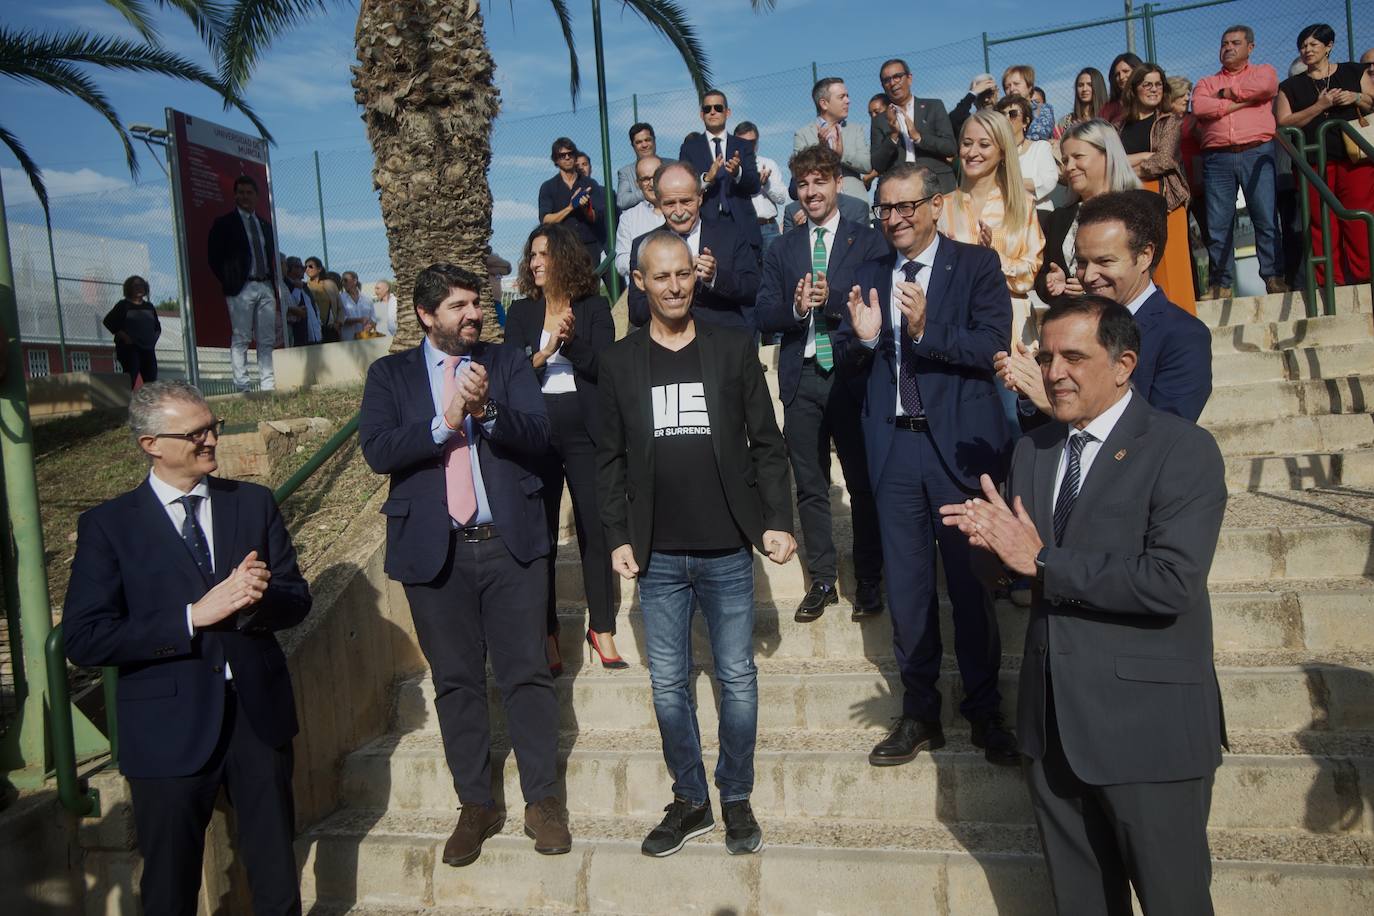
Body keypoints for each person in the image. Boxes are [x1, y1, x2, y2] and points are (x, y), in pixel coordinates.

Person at [940, 295, 1228, 916]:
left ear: (1124, 365)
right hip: (1052, 732)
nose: (1054, 372)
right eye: (1046, 358)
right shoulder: (1033, 450)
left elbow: (1171, 581)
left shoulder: (1182, 448)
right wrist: (988, 548)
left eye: (1074, 357)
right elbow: (1017, 574)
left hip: (1149, 733)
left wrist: (1041, 561)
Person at [64, 380, 311, 914]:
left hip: (257, 719)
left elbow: (296, 599)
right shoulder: (108, 526)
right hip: (165, 730)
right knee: (170, 884)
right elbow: (85, 637)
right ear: (150, 444)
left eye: (212, 427)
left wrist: (254, 600)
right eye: (195, 433)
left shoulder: (252, 503)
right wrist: (191, 618)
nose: (211, 440)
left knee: (275, 871)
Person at [358, 262, 570, 867]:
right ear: (426, 315)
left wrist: (487, 412)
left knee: (527, 674)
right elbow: (378, 449)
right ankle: (476, 804)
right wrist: (444, 421)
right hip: (436, 551)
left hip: (510, 543)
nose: (474, 314)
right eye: (458, 306)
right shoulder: (390, 375)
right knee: (455, 682)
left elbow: (539, 434)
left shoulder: (506, 363)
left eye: (476, 303)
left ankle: (542, 802)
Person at [597, 230, 796, 858]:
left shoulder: (732, 346)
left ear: (695, 274)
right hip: (656, 555)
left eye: (683, 273)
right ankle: (690, 799)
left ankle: (734, 796)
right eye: (661, 276)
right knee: (668, 685)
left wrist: (778, 519)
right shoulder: (619, 362)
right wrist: (617, 535)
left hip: (727, 548)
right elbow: (609, 459)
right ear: (639, 282)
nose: (675, 286)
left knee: (736, 676)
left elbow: (767, 442)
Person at [834, 163, 1018, 768]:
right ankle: (919, 712)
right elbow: (843, 353)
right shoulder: (867, 273)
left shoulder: (976, 266)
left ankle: (985, 710)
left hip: (958, 449)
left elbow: (992, 345)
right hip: (894, 447)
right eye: (885, 209)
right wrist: (866, 341)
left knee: (971, 584)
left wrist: (924, 329)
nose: (895, 219)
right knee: (908, 591)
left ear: (936, 205)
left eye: (906, 206)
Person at [754, 144, 888, 623]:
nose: (811, 192)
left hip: (851, 374)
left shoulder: (866, 240)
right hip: (802, 376)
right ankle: (824, 580)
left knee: (862, 483)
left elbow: (878, 301)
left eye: (819, 182)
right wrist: (795, 309)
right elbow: (763, 312)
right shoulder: (783, 247)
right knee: (810, 486)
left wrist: (830, 302)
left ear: (836, 184)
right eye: (803, 184)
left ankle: (869, 579)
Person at [503, 225, 620, 673]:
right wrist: (543, 352)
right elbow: (509, 376)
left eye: (543, 254)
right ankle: (548, 632)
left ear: (564, 258)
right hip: (537, 434)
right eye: (531, 255)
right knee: (542, 536)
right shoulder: (521, 313)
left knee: (596, 530)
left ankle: (602, 628)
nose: (534, 262)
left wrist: (571, 344)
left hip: (586, 434)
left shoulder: (593, 307)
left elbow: (606, 366)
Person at [1003, 190, 1213, 427]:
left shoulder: (1183, 336)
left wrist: (1054, 406)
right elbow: (1044, 436)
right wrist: (1029, 392)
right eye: (1082, 262)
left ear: (1144, 256)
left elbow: (1164, 433)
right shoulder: (1070, 327)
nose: (1089, 276)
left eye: (1105, 262)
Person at [939, 109, 1045, 429]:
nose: (973, 152)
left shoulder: (1022, 204)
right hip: (957, 332)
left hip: (1011, 338)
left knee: (1012, 427)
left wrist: (992, 259)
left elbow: (1029, 273)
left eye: (984, 144)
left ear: (1001, 151)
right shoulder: (942, 207)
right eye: (967, 143)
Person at [1193, 24, 1289, 298]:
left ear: (1250, 47)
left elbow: (1267, 87)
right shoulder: (1206, 82)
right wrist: (1245, 100)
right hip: (1217, 157)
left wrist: (1226, 95)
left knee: (1265, 218)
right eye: (1224, 43)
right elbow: (1200, 106)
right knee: (1218, 224)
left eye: (1235, 43)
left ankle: (1273, 277)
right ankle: (1221, 284)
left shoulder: (1264, 71)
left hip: (1257, 152)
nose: (1228, 48)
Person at [1278, 23, 1374, 286]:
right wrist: (1320, 106)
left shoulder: (1353, 71)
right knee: (1321, 222)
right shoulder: (1290, 86)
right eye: (1303, 46)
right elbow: (1283, 122)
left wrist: (1355, 97)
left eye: (1313, 44)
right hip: (1313, 162)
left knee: (1359, 217)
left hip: (1354, 158)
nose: (1307, 50)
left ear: (1329, 46)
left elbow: (1371, 101)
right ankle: (1330, 281)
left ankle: (1365, 278)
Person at [626, 161, 759, 329]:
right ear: (659, 202)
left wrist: (715, 277)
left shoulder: (730, 234)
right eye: (670, 204)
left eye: (686, 201)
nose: (679, 212)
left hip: (723, 338)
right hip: (668, 342)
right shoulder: (644, 246)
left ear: (700, 197)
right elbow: (637, 314)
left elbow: (754, 290)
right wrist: (666, 289)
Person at [1034, 119, 1142, 307]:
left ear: (1107, 156)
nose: (1069, 167)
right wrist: (1052, 284)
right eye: (1066, 160)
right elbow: (1041, 276)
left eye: (1078, 156)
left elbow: (1142, 273)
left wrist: (1090, 287)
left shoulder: (1137, 210)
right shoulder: (1058, 218)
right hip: (1072, 318)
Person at [1119, 64, 1197, 313]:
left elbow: (1163, 161)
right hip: (1130, 205)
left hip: (1166, 203)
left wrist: (1125, 167)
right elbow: (1109, 162)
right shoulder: (1119, 127)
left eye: (1158, 84)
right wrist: (1143, 156)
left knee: (1173, 272)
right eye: (1147, 84)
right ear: (1134, 89)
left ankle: (1183, 325)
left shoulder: (1168, 121)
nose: (1154, 89)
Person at [206, 175, 277, 391]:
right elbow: (214, 258)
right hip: (242, 287)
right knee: (242, 337)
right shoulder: (224, 223)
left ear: (256, 196)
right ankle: (242, 385)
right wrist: (231, 279)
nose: (245, 196)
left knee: (266, 339)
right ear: (235, 195)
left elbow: (269, 255)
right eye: (241, 192)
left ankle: (268, 384)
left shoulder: (265, 225)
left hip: (265, 285)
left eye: (249, 193)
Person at [679, 89, 762, 258]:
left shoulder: (743, 146)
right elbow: (684, 188)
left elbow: (754, 185)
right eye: (707, 109)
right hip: (707, 224)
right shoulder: (690, 148)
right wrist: (706, 179)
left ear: (727, 112)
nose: (713, 112)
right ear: (701, 115)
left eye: (718, 108)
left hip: (743, 226)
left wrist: (738, 173)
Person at [870, 58, 958, 194]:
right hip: (900, 189)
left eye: (897, 77)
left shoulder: (933, 107)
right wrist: (893, 136)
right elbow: (877, 164)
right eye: (887, 80)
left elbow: (950, 147)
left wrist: (918, 137)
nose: (892, 83)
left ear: (909, 78)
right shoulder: (880, 120)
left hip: (937, 183)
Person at [794, 77, 873, 200]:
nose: (848, 101)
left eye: (847, 96)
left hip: (855, 202)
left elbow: (867, 166)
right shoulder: (803, 135)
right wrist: (822, 152)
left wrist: (842, 155)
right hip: (821, 203)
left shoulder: (856, 130)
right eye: (841, 97)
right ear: (824, 104)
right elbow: (800, 173)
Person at [538, 137, 605, 268]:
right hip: (561, 247)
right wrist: (570, 207)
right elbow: (545, 220)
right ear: (556, 160)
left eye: (571, 154)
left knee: (591, 281)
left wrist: (586, 208)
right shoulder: (548, 187)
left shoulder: (589, 183)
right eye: (562, 155)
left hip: (589, 247)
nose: (567, 157)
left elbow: (596, 217)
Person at [995, 96, 1058, 211]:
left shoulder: (1040, 147)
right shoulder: (995, 153)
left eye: (1013, 114)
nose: (1006, 118)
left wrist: (1007, 183)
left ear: (1025, 121)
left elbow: (1048, 181)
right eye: (1002, 115)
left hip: (1038, 211)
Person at [736, 122, 788, 257]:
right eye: (742, 142)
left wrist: (766, 185)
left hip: (768, 228)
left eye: (752, 142)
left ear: (757, 143)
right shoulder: (732, 169)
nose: (747, 146)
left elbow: (782, 198)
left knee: (774, 268)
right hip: (742, 229)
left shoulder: (769, 164)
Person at [103, 275, 160, 386]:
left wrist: (153, 339)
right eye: (135, 286)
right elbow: (108, 321)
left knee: (151, 381)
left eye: (141, 285)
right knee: (130, 378)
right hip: (130, 349)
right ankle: (126, 397)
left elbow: (157, 327)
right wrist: (124, 337)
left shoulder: (149, 307)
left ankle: (149, 398)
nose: (139, 288)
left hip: (148, 349)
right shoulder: (123, 305)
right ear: (129, 288)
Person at [615, 155, 665, 280]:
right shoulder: (628, 218)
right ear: (638, 184)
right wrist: (652, 263)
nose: (652, 183)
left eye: (656, 176)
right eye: (645, 179)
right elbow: (621, 263)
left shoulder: (681, 208)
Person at [1002, 65, 1055, 141]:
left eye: (1016, 84)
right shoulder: (1003, 112)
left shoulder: (1042, 109)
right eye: (1007, 87)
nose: (1012, 89)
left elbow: (1039, 135)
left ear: (1029, 86)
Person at [1055, 68, 1108, 139]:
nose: (1084, 89)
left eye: (1090, 84)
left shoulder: (1109, 117)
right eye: (1080, 85)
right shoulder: (1066, 121)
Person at [616, 122, 658, 210]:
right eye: (639, 142)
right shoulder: (626, 172)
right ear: (633, 146)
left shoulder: (671, 165)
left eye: (647, 140)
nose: (644, 145)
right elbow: (622, 201)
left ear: (654, 141)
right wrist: (650, 191)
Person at [281, 256, 322, 346]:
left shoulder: (305, 287)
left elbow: (314, 308)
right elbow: (292, 306)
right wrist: (297, 289)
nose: (303, 270)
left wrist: (318, 325)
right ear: (289, 269)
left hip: (315, 336)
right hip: (299, 338)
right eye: (299, 267)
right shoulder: (286, 286)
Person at [304, 257, 342, 343]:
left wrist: (338, 323)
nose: (307, 269)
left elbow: (340, 307)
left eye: (310, 266)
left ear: (319, 269)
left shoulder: (330, 284)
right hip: (314, 330)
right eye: (305, 267)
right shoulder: (305, 287)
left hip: (331, 328)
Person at [1099, 52, 1144, 125]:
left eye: (1126, 71)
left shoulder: (1148, 100)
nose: (1121, 77)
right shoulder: (1108, 108)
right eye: (1117, 74)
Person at [339, 271, 376, 341]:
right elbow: (341, 319)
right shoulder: (340, 299)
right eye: (342, 281)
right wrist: (359, 320)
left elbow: (373, 319)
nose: (343, 283)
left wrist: (370, 325)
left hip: (366, 340)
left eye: (345, 280)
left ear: (355, 281)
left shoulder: (367, 298)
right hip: (348, 341)